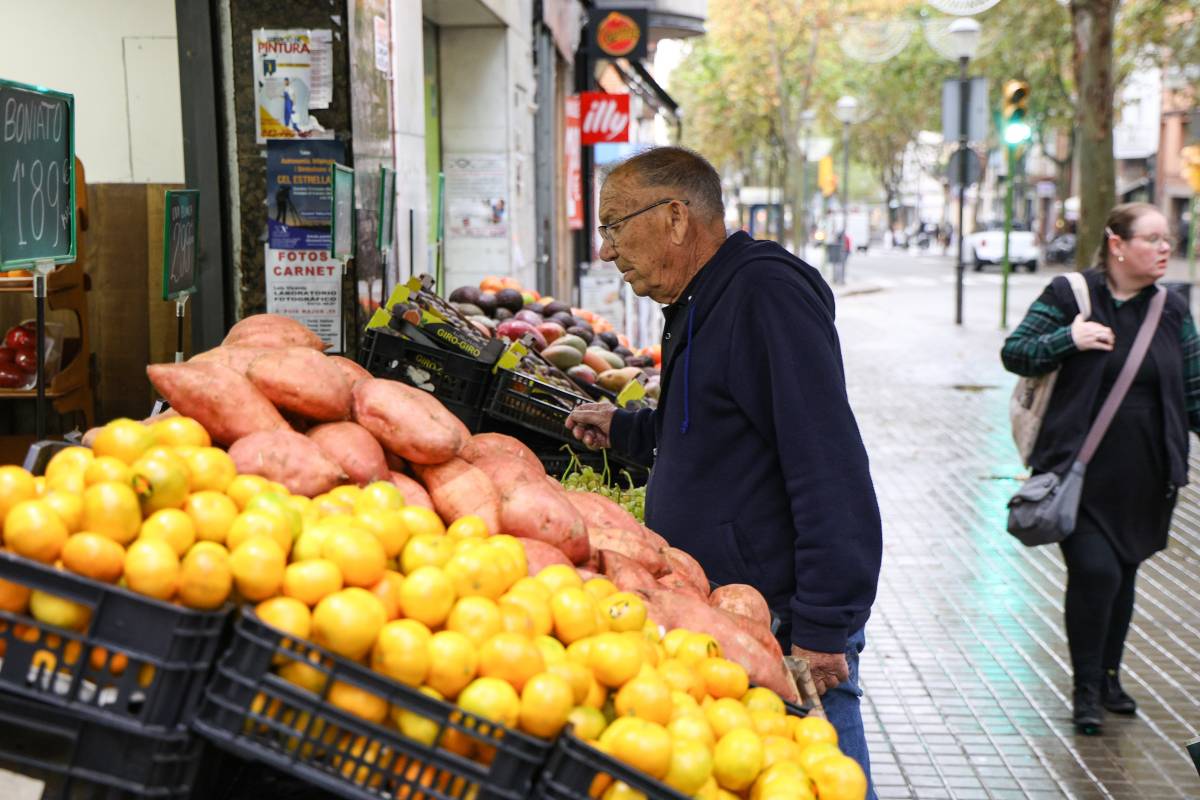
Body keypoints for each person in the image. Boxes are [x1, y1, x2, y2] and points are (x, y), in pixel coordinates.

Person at [565, 147, 883, 790]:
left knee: (826, 779)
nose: (606, 250)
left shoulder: (764, 295)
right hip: (727, 618)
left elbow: (827, 458)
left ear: (675, 218)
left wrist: (824, 623)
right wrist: (628, 428)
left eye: (614, 225)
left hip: (784, 626)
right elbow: (718, 427)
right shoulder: (701, 300)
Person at [1001, 202, 1200, 734]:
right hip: (1077, 474)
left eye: (1168, 240)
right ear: (1117, 244)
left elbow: (1194, 391)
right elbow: (1016, 352)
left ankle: (1109, 677)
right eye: (1153, 238)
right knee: (1096, 573)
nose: (1166, 248)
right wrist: (1070, 339)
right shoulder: (1072, 296)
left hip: (1149, 477)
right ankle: (1086, 688)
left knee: (1125, 573)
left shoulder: (1174, 308)